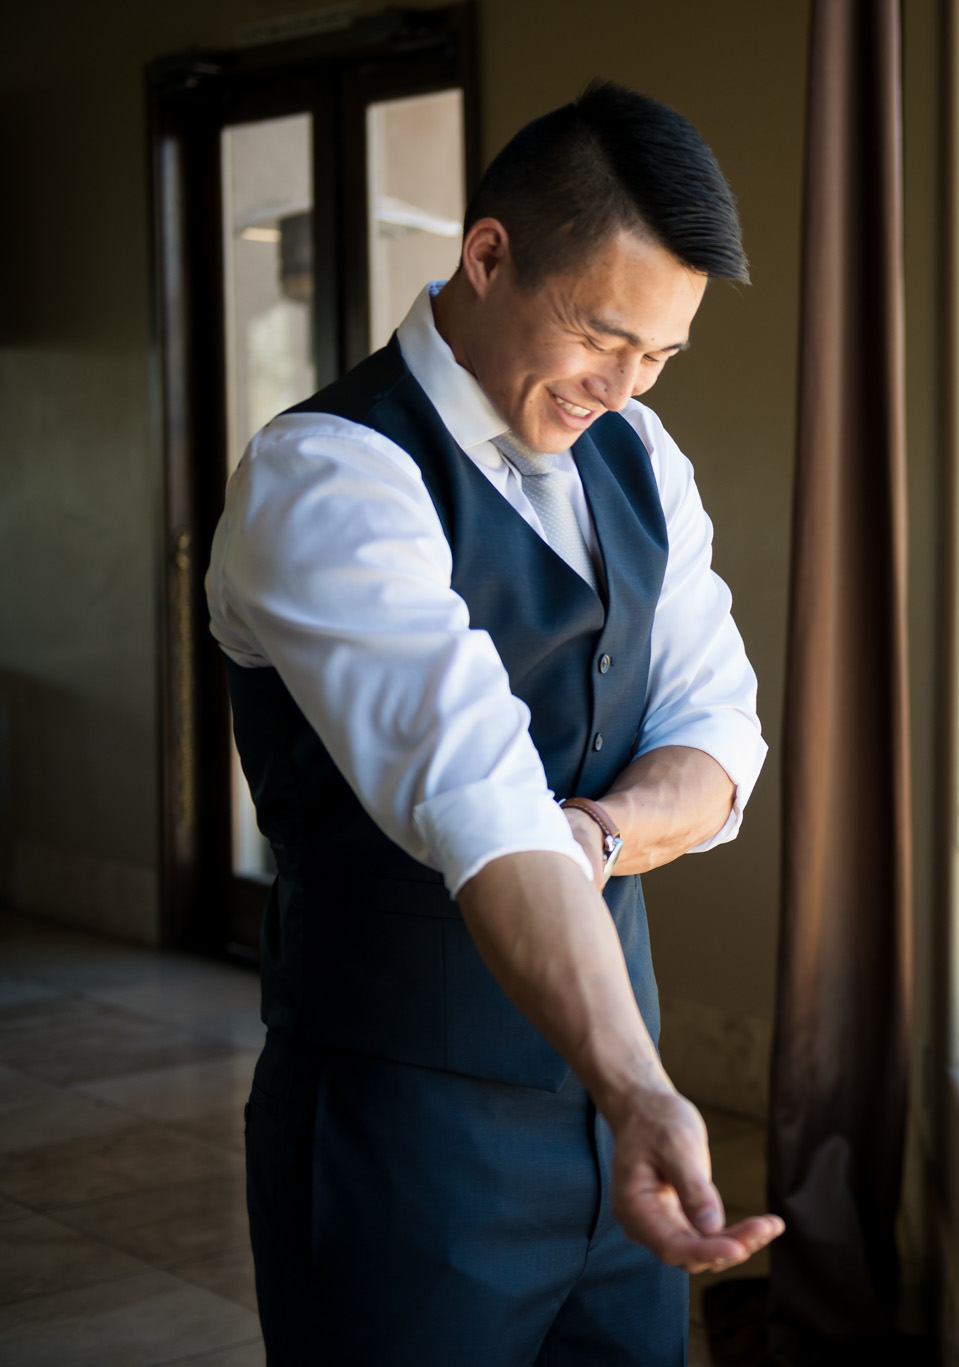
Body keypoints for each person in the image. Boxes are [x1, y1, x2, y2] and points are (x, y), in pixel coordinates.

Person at [207, 79, 784, 1362]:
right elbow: (471, 789)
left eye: (662, 356)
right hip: (401, 1131)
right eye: (603, 337)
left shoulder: (643, 453)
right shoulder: (327, 476)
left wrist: (600, 828)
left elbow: (721, 735)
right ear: (487, 255)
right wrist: (646, 1090)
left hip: (611, 1113)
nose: (626, 387)